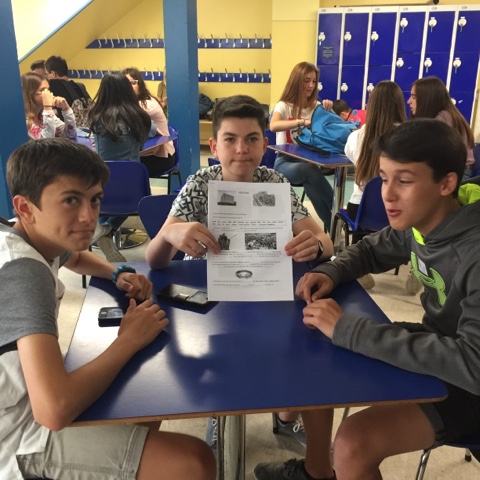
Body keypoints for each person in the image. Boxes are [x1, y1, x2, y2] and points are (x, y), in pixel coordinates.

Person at [254, 118, 480, 480]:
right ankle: (316, 470)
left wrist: (351, 330)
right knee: (317, 351)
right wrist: (331, 271)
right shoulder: (426, 220)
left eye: (404, 181)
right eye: (385, 178)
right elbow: (371, 250)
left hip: (471, 381)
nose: (387, 194)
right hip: (440, 348)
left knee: (353, 444)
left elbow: (473, 363)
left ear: (446, 183)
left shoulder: (473, 249)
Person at [0, 137, 216, 480]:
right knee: (194, 461)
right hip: (15, 432)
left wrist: (116, 272)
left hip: (23, 395)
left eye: (95, 199)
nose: (88, 217)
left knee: (147, 398)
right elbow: (53, 411)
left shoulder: (26, 233)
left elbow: (73, 257)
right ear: (25, 207)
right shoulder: (24, 274)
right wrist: (127, 340)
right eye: (71, 200)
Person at [146, 94, 334, 448]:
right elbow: (154, 260)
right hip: (210, 293)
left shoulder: (275, 184)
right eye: (230, 139)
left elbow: (325, 240)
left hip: (268, 285)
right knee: (221, 355)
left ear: (264, 144)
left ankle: (285, 416)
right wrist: (170, 234)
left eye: (251, 139)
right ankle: (224, 413)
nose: (241, 149)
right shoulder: (201, 184)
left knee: (301, 347)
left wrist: (317, 245)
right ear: (215, 146)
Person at [88, 71, 157, 263]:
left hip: (102, 186)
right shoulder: (139, 117)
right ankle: (107, 229)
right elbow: (144, 141)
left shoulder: (96, 117)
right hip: (132, 187)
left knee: (101, 198)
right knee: (138, 198)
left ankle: (103, 229)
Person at [343, 80, 407, 290]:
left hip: (362, 211)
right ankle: (417, 268)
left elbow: (350, 156)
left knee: (354, 206)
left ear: (371, 105)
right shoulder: (409, 136)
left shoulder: (357, 136)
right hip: (398, 211)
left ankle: (358, 266)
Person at [269, 61, 334, 231]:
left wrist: (329, 110)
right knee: (309, 171)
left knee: (310, 181)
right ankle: (338, 212)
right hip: (284, 163)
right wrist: (301, 122)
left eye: (314, 81)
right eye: (306, 81)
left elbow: (331, 130)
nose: (311, 85)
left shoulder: (317, 107)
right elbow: (273, 125)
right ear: (297, 81)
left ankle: (332, 225)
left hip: (309, 161)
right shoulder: (284, 105)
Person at [408, 76, 475, 181]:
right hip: (452, 171)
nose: (409, 101)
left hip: (457, 175)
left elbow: (430, 156)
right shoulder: (447, 114)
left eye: (413, 97)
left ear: (427, 99)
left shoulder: (442, 119)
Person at [123, 67, 176, 176]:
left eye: (133, 83)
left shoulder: (146, 105)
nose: (129, 87)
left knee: (122, 168)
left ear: (140, 84)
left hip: (161, 157)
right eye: (125, 83)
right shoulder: (134, 103)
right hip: (146, 152)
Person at [21, 72, 77, 140]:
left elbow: (71, 134)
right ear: (30, 94)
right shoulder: (24, 120)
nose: (48, 94)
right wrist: (47, 107)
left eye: (48, 89)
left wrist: (66, 109)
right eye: (42, 90)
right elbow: (46, 142)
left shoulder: (42, 115)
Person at [44, 55, 94, 127]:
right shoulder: (80, 86)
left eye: (46, 74)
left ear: (53, 74)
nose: (46, 77)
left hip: (70, 130)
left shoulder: (53, 84)